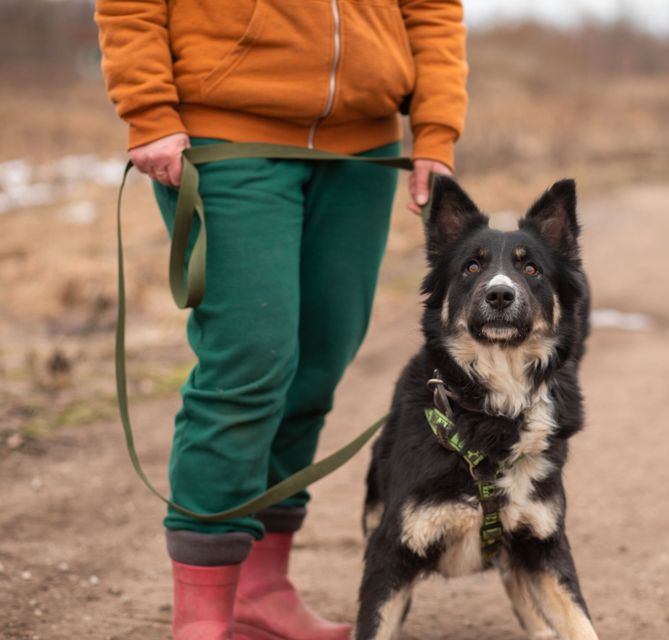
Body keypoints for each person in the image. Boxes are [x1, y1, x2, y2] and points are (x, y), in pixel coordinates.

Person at [94, 1, 467, 638]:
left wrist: (436, 129)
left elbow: (432, 8)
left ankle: (261, 588)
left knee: (317, 364)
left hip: (363, 145)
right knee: (250, 359)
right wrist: (149, 110)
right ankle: (203, 611)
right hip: (228, 133)